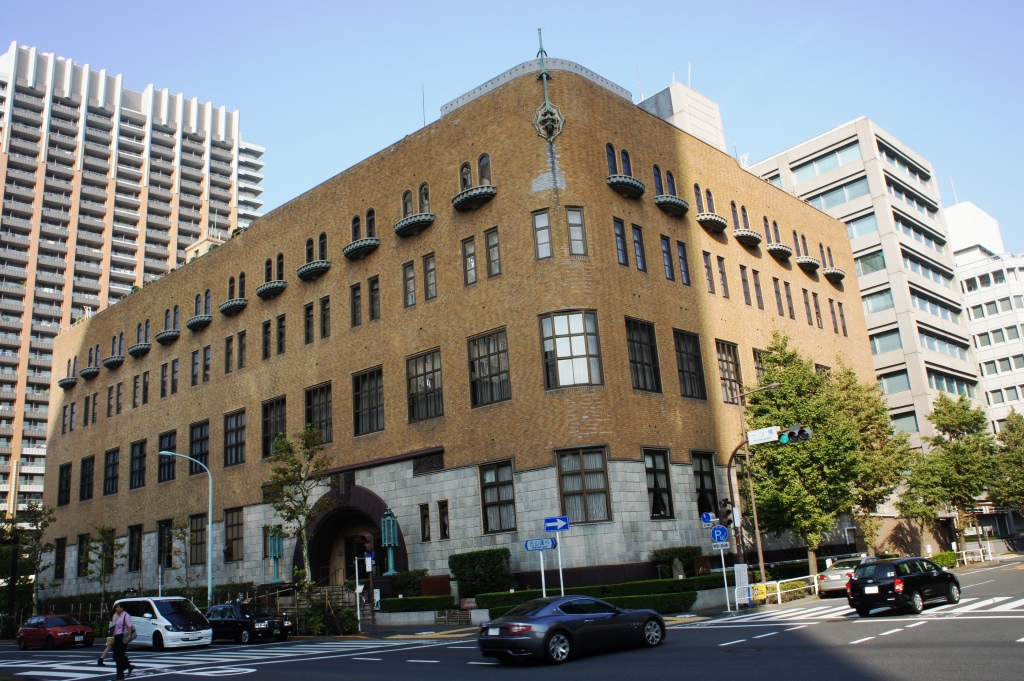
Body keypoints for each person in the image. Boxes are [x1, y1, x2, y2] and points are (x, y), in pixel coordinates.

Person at [111, 603, 136, 680]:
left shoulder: (126, 615)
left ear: (122, 608)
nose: (116, 608)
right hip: (117, 637)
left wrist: (128, 637)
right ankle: (128, 666)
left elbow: (129, 626)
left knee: (120, 656)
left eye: (117, 607)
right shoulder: (119, 616)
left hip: (122, 636)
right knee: (115, 655)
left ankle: (120, 676)